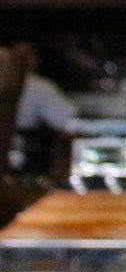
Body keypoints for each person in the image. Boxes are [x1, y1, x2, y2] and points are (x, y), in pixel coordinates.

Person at [5, 45, 76, 175]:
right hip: (19, 168)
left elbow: (69, 123)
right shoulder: (37, 86)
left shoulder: (37, 87)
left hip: (18, 161)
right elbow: (72, 124)